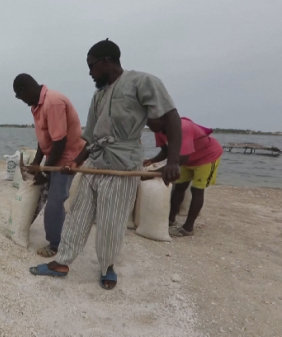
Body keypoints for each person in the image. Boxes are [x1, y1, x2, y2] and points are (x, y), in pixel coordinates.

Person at [28, 39, 182, 290]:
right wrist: (77, 162)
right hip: (96, 163)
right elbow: (91, 137)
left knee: (111, 220)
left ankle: (107, 266)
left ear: (105, 62)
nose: (89, 73)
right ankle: (63, 261)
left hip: (123, 165)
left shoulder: (142, 82)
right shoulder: (98, 95)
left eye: (91, 66)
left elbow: (171, 117)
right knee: (78, 213)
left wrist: (173, 160)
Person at [13, 73, 85, 258]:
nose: (20, 101)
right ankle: (30, 227)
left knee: (55, 200)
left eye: (19, 97)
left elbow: (59, 142)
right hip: (54, 155)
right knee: (41, 192)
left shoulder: (52, 103)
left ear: (24, 90)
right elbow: (44, 137)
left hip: (67, 158)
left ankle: (55, 243)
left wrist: (45, 171)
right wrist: (37, 162)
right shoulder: (37, 105)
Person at [145, 117, 223, 237]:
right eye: (148, 125)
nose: (150, 128)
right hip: (187, 160)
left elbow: (181, 159)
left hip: (207, 157)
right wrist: (153, 160)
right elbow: (166, 151)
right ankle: (171, 219)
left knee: (197, 190)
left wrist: (153, 173)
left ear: (162, 119)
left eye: (151, 124)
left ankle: (188, 227)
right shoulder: (158, 130)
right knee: (179, 188)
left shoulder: (183, 128)